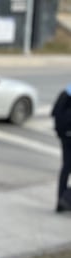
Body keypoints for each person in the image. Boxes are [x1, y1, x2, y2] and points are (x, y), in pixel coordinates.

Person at [51, 83, 71, 213]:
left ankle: (61, 200)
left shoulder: (65, 92)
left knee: (66, 167)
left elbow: (53, 112)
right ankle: (65, 198)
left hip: (64, 135)